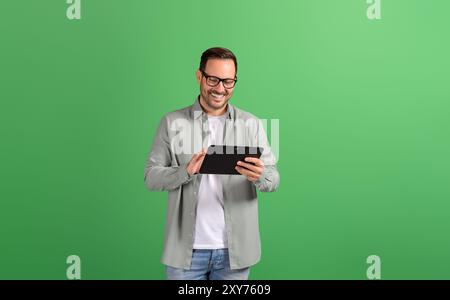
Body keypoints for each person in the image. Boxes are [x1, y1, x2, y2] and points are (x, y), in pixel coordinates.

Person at [144, 47, 280, 280]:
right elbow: (151, 177)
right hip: (185, 254)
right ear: (199, 76)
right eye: (213, 79)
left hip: (235, 254)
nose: (220, 89)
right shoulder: (172, 122)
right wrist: (185, 171)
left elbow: (274, 179)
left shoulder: (252, 124)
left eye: (228, 82)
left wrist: (260, 176)